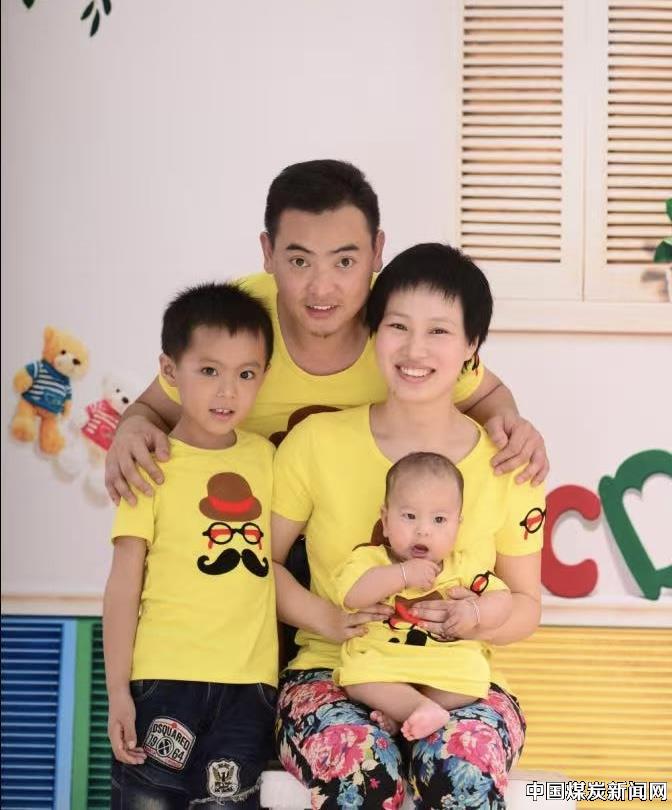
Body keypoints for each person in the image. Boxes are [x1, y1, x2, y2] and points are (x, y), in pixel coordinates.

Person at [271, 243, 546, 808]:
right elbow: (260, 566)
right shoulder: (315, 442)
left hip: (458, 682)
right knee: (363, 769)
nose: (415, 349)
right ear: (374, 332)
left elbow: (526, 607)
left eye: (439, 331)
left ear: (471, 346)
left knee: (461, 772)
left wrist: (475, 618)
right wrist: (329, 617)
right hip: (333, 673)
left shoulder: (509, 464)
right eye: (398, 326)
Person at [104, 160, 549, 508]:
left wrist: (511, 425)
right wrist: (132, 430)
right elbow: (151, 409)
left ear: (377, 251)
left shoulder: (401, 320)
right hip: (253, 536)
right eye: (299, 262)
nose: (321, 289)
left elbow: (487, 395)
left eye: (344, 262)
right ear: (268, 252)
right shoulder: (235, 319)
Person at [103, 283, 278, 809]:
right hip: (162, 680)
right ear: (170, 370)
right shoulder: (149, 462)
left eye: (246, 374)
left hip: (249, 688)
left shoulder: (270, 459)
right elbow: (123, 586)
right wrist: (118, 691)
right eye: (209, 371)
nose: (228, 392)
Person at [334, 451, 512, 742]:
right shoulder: (370, 559)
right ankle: (417, 709)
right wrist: (402, 574)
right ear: (385, 520)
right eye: (409, 516)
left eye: (439, 519)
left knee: (473, 675)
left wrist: (474, 612)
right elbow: (352, 595)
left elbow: (503, 599)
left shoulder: (464, 567)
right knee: (356, 677)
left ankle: (411, 712)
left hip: (446, 664)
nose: (423, 530)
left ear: (457, 526)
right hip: (384, 661)